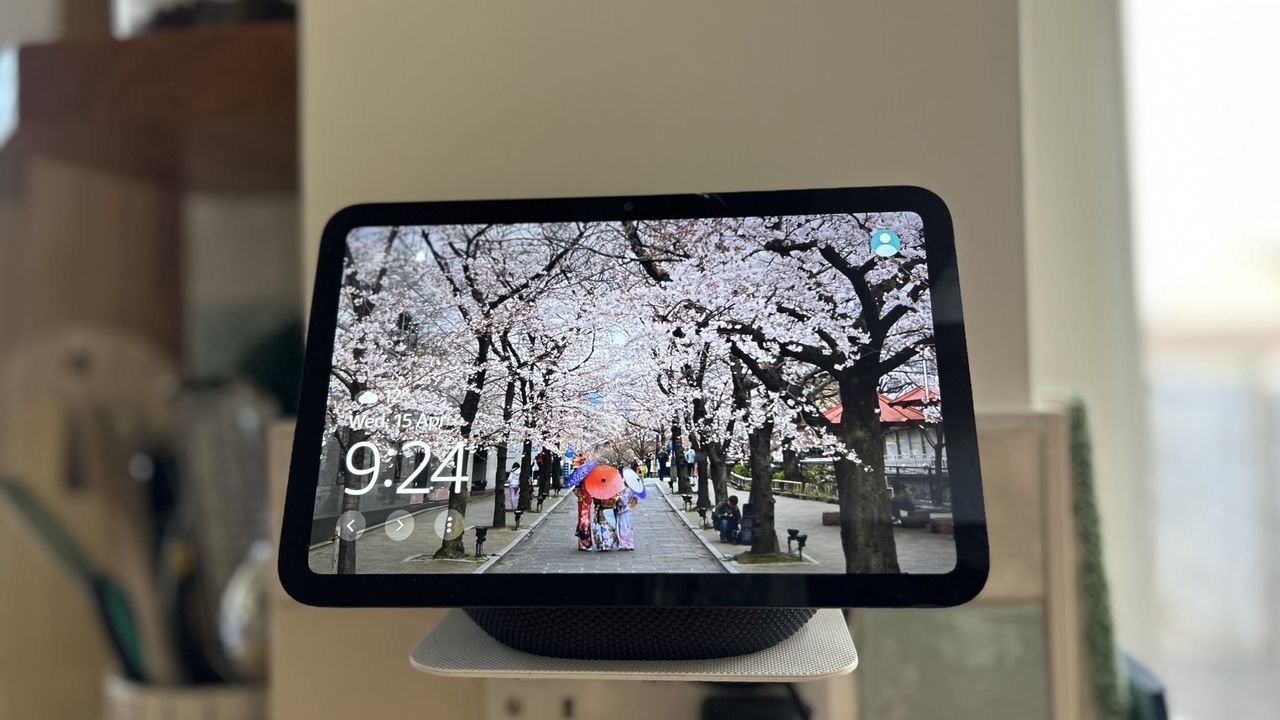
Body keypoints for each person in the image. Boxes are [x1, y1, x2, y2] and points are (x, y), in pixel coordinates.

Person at [616, 461, 643, 550]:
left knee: (624, 526)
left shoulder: (628, 489)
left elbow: (623, 500)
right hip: (629, 508)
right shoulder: (631, 487)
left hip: (625, 508)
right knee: (627, 525)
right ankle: (628, 543)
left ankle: (624, 544)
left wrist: (617, 497)